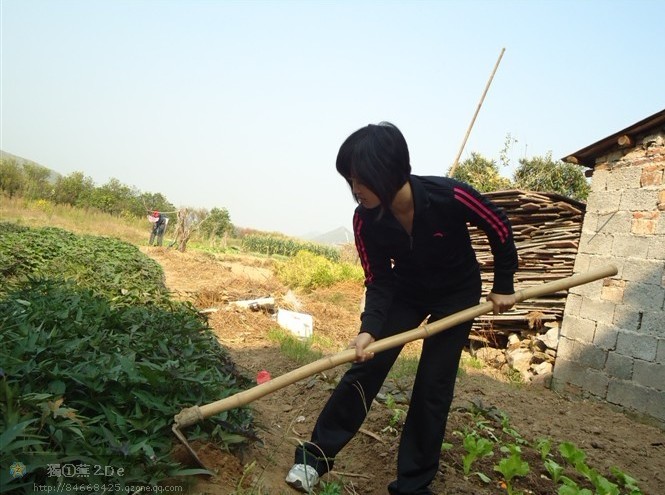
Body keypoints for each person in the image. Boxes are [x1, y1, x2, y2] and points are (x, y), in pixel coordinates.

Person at [285, 122, 518, 494]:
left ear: (388, 170)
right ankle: (313, 461)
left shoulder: (451, 195)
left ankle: (413, 485)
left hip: (457, 294)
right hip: (407, 293)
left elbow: (498, 226)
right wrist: (369, 329)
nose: (354, 189)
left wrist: (503, 285)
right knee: (365, 367)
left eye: (360, 178)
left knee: (432, 388)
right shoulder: (365, 220)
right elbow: (378, 279)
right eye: (350, 179)